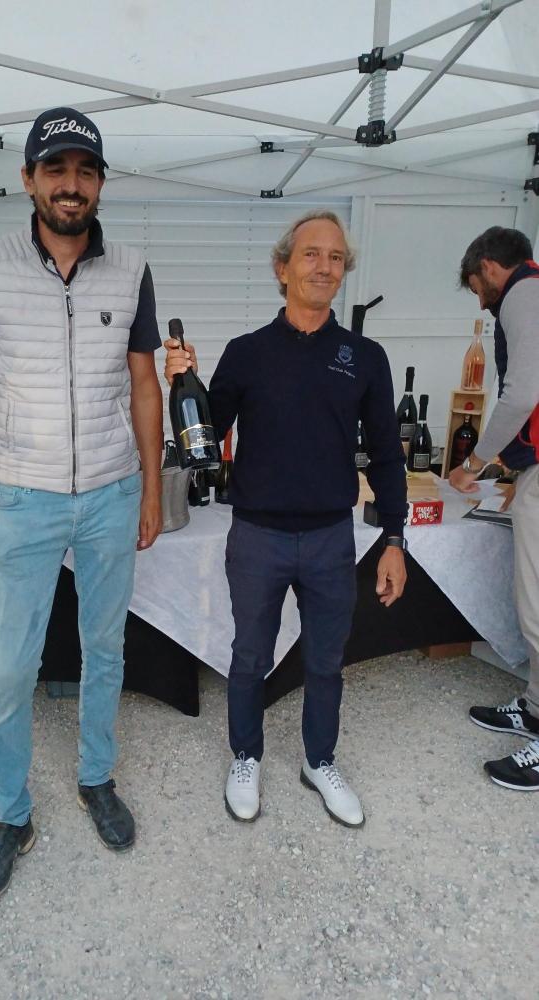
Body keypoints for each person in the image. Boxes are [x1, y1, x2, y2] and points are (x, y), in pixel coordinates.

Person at [0, 107, 163, 907]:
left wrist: (152, 486)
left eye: (85, 170)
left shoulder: (131, 268)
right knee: (12, 666)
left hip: (111, 491)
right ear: (29, 179)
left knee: (105, 649)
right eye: (56, 169)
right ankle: (9, 815)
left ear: (100, 182)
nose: (72, 185)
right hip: (27, 497)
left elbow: (146, 386)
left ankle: (96, 777)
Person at [164, 210, 407, 827]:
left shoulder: (364, 357)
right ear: (283, 267)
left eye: (335, 257)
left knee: (325, 659)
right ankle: (246, 756)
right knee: (250, 656)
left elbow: (385, 453)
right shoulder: (247, 353)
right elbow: (205, 434)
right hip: (258, 537)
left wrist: (394, 538)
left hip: (331, 538)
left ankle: (319, 761)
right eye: (311, 254)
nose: (325, 266)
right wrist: (183, 380)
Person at [449, 226, 539, 791]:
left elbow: (523, 391)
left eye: (475, 286)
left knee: (538, 607)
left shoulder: (524, 292)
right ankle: (534, 708)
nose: (480, 299)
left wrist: (477, 462)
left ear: (487, 266)